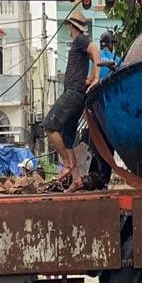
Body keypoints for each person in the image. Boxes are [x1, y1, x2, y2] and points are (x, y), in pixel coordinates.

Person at [43, 11, 98, 192]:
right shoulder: (79, 43)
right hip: (77, 95)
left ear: (71, 26)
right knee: (67, 139)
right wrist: (91, 76)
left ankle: (67, 164)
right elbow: (93, 56)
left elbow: (95, 49)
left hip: (73, 93)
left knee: (49, 125)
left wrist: (95, 76)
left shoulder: (80, 40)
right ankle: (76, 179)